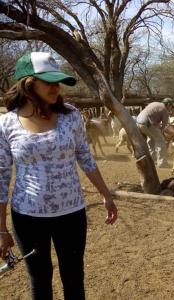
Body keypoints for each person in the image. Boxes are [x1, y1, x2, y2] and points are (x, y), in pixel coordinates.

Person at [0, 52, 118, 300]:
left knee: (74, 278)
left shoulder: (70, 115)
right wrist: (1, 228)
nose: (56, 87)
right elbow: (1, 176)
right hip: (27, 218)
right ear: (28, 83)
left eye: (58, 81)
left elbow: (85, 157)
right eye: (49, 81)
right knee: (40, 282)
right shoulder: (7, 123)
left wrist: (106, 196)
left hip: (71, 214)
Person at [136, 98, 174, 168]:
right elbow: (163, 127)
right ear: (168, 104)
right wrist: (163, 135)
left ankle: (152, 161)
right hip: (146, 123)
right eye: (171, 106)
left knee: (152, 139)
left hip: (138, 121)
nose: (171, 108)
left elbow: (152, 116)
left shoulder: (154, 103)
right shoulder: (165, 110)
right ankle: (162, 163)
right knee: (161, 141)